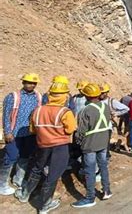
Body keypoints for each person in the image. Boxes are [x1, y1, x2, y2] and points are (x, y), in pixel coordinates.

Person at [15, 82, 77, 213]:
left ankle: (25, 195)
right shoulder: (65, 112)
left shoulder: (37, 110)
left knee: (37, 169)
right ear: (63, 96)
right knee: (53, 175)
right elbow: (71, 129)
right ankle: (44, 205)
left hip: (42, 145)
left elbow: (32, 130)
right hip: (59, 147)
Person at [72, 83, 113, 208]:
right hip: (103, 141)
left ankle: (90, 197)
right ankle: (106, 190)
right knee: (103, 166)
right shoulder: (105, 106)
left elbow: (81, 131)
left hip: (90, 143)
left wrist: (78, 142)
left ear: (86, 95)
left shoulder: (86, 110)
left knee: (89, 170)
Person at [1, 73, 42, 196]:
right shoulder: (13, 96)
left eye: (34, 83)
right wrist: (7, 132)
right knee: (11, 157)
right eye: (29, 82)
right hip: (14, 134)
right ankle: (2, 184)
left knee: (25, 156)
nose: (31, 85)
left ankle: (18, 179)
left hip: (29, 134)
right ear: (23, 82)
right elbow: (6, 116)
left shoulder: (38, 97)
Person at [99, 84, 130, 152]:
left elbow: (126, 109)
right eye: (100, 93)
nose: (100, 94)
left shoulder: (112, 102)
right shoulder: (97, 101)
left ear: (107, 92)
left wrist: (116, 113)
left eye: (102, 93)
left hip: (109, 124)